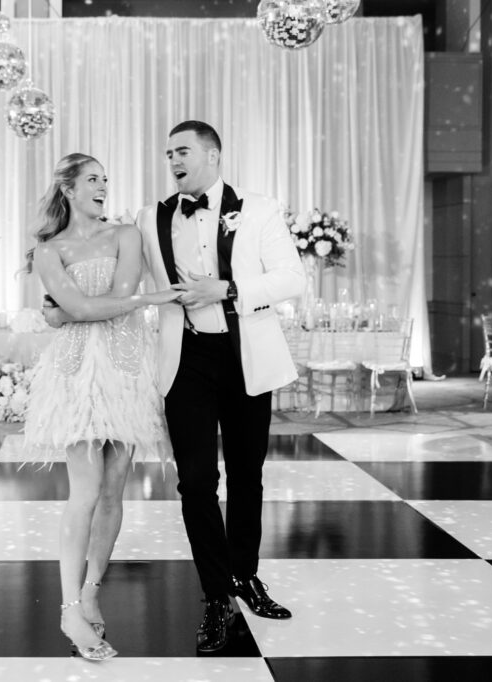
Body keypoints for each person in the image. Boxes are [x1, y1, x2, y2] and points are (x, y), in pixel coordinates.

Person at [137, 121, 305, 653]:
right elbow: (116, 265)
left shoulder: (258, 208)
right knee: (195, 482)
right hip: (184, 359)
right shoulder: (152, 217)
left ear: (212, 155)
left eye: (181, 151)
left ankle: (246, 575)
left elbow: (291, 279)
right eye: (168, 154)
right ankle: (216, 595)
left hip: (244, 358)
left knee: (247, 475)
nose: (173, 161)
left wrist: (228, 288)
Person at [23, 152, 179, 661]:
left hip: (127, 367)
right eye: (92, 180)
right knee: (85, 491)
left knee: (114, 491)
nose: (102, 187)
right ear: (68, 188)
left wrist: (69, 313)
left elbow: (111, 293)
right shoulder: (48, 251)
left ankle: (92, 590)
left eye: (105, 180)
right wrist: (141, 304)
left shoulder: (125, 235)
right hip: (77, 375)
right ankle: (70, 608)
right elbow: (93, 307)